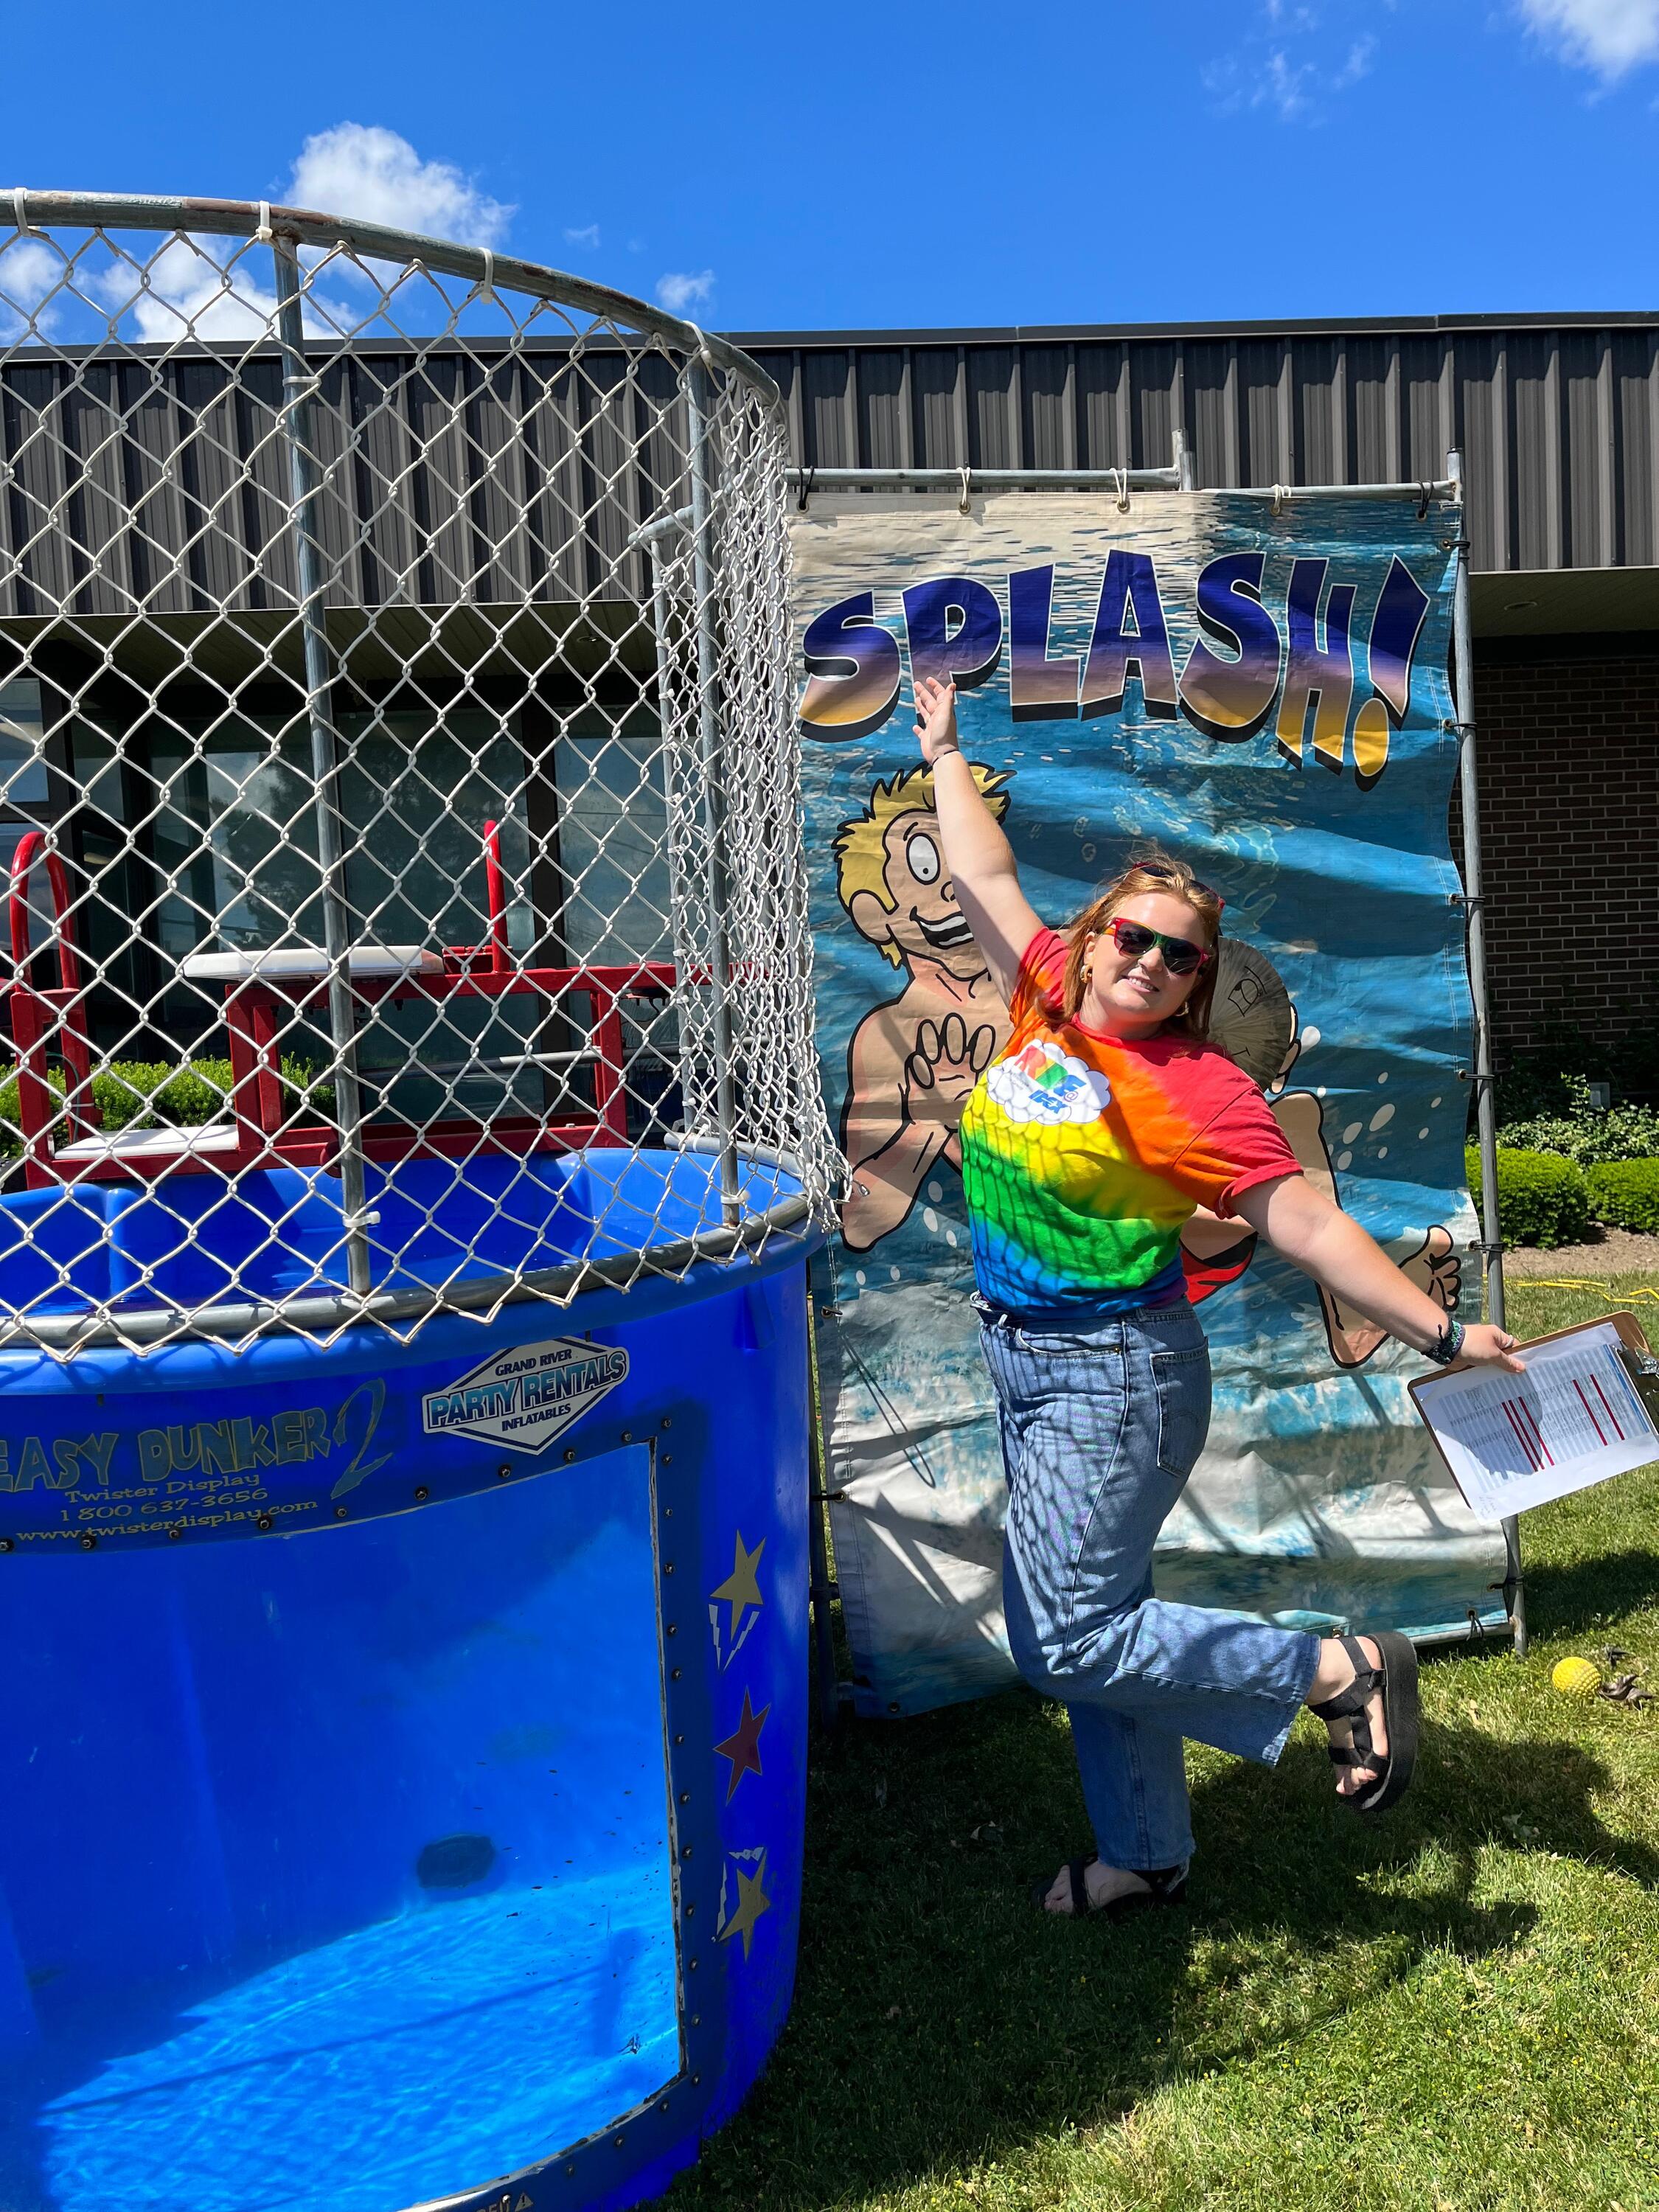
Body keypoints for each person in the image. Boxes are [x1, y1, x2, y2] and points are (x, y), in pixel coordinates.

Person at [911, 674, 1524, 1920]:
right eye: (1130, 938)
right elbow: (979, 873)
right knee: (1095, 1625)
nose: (1147, 962)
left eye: (1177, 956)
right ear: (1090, 943)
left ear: (1197, 985)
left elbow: (1306, 1222)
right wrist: (940, 748)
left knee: (1070, 1640)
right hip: (1024, 1363)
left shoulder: (1198, 1094)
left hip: (1114, 1377)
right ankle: (1144, 1853)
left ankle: (1331, 1668)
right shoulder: (1042, 997)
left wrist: (1442, 1331)